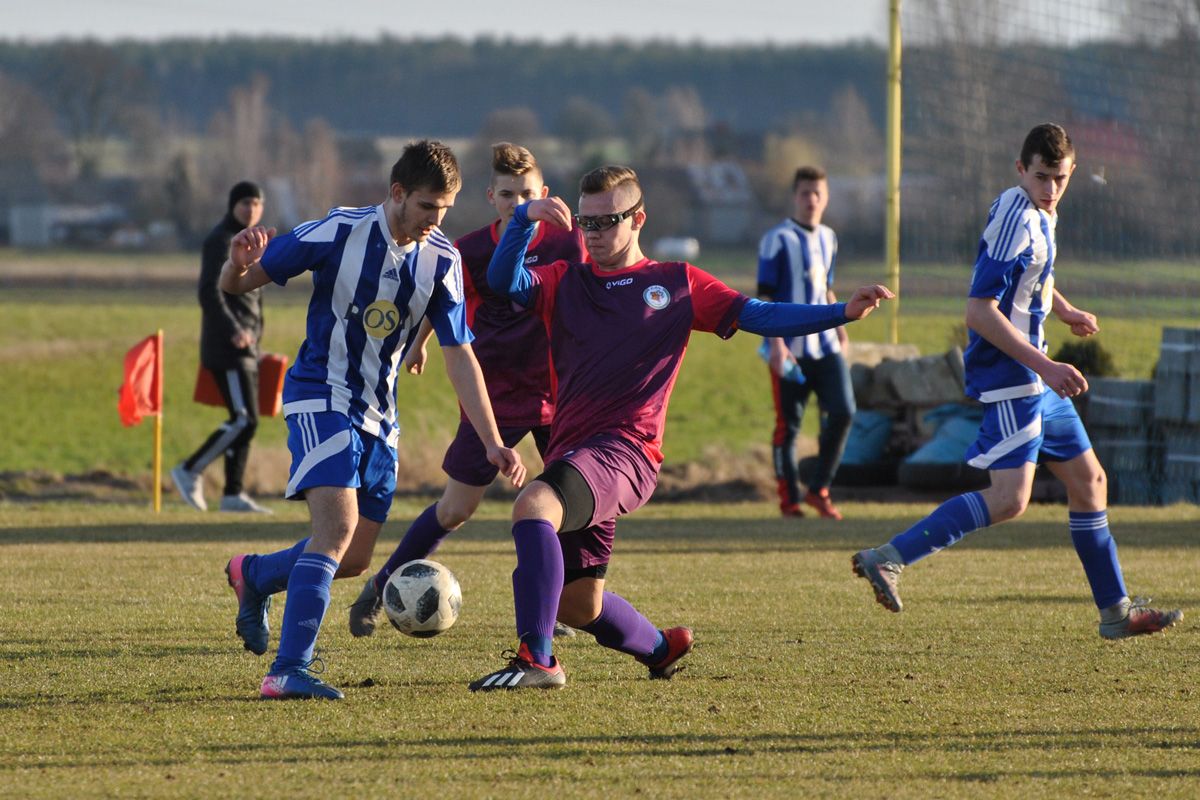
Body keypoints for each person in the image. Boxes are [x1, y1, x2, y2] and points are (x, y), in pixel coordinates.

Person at [469, 165, 893, 691]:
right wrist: (525, 221)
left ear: (638, 219)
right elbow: (503, 279)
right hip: (575, 454)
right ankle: (660, 647)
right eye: (585, 223)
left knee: (534, 505)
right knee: (580, 604)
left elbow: (759, 313)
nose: (592, 234)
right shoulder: (564, 281)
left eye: (607, 221)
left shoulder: (677, 284)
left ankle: (538, 661)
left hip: (627, 453)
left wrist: (841, 313)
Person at [217, 140, 526, 700]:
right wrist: (235, 265)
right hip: (318, 396)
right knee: (333, 533)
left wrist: (493, 442)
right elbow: (238, 284)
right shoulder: (338, 231)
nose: (436, 221)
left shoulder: (442, 260)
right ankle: (289, 670)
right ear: (398, 193)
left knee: (354, 559)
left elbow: (459, 354)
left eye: (446, 211)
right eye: (427, 206)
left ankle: (255, 575)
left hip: (379, 418)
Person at [851, 123, 1183, 640]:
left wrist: (1066, 309)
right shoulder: (1015, 216)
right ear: (1020, 169)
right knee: (1009, 499)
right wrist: (1047, 368)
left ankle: (1115, 612)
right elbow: (979, 312)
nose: (1051, 188)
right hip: (1012, 375)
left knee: (1090, 482)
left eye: (1061, 178)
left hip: (1036, 373)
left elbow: (1032, 279)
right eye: (1042, 177)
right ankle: (888, 557)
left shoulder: (1039, 213)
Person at [347, 142, 586, 639]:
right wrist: (419, 344)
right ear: (491, 197)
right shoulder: (468, 250)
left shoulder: (568, 242)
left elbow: (585, 299)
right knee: (456, 509)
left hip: (555, 392)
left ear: (545, 193)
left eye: (526, 193)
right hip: (493, 394)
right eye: (507, 195)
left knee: (564, 504)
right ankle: (381, 585)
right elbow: (443, 300)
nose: (518, 202)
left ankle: (551, 608)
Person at [758, 165, 854, 520]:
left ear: (825, 198)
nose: (811, 199)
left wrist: (842, 328)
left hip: (825, 346)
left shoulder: (829, 237)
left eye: (817, 193)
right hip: (789, 351)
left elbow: (825, 286)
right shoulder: (776, 239)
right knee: (790, 427)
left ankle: (819, 489)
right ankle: (789, 502)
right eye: (804, 193)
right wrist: (777, 345)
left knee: (844, 412)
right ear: (794, 196)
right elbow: (765, 297)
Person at [171, 180, 271, 513]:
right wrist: (235, 331)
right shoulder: (221, 240)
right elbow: (209, 292)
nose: (251, 209)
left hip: (248, 347)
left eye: (256, 204)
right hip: (226, 346)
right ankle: (189, 469)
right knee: (244, 420)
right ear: (232, 206)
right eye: (245, 203)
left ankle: (232, 494)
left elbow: (253, 298)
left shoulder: (254, 241)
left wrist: (257, 341)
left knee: (245, 419)